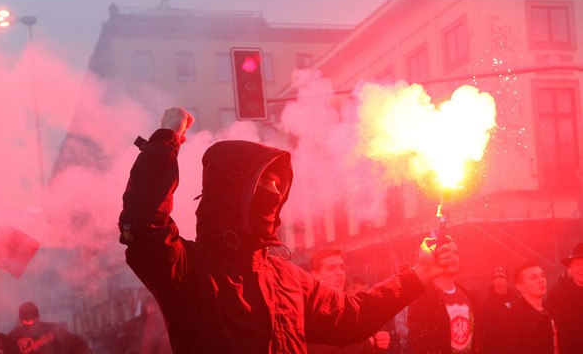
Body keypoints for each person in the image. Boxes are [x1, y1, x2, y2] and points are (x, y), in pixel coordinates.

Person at [118, 107, 455, 353]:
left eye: (279, 184)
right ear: (232, 192)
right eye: (264, 181)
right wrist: (165, 142)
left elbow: (353, 317)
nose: (275, 193)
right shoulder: (188, 270)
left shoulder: (288, 279)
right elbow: (145, 224)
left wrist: (419, 274)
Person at [307, 248, 391, 354]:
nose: (339, 272)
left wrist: (379, 343)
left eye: (342, 267)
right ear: (315, 275)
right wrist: (368, 343)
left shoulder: (350, 305)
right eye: (331, 268)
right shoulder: (311, 309)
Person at [407, 240, 479, 353]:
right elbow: (420, 345)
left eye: (456, 253)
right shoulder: (422, 300)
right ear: (435, 258)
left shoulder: (470, 296)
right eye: (448, 254)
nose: (454, 258)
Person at [502, 262, 557, 353]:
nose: (541, 280)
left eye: (542, 275)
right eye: (533, 277)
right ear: (520, 286)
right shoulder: (511, 318)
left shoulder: (552, 312)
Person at [8, 302, 92, 354]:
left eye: (33, 322)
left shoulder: (53, 329)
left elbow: (78, 345)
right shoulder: (12, 338)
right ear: (20, 320)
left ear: (38, 317)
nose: (31, 327)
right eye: (27, 323)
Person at [546, 242, 583, 354]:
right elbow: (558, 337)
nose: (582, 269)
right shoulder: (557, 296)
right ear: (570, 267)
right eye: (578, 265)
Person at [480, 266, 517, 354]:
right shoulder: (487, 303)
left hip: (515, 345)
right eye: (495, 278)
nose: (498, 280)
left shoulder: (515, 299)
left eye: (501, 277)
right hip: (497, 348)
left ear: (506, 280)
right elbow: (487, 330)